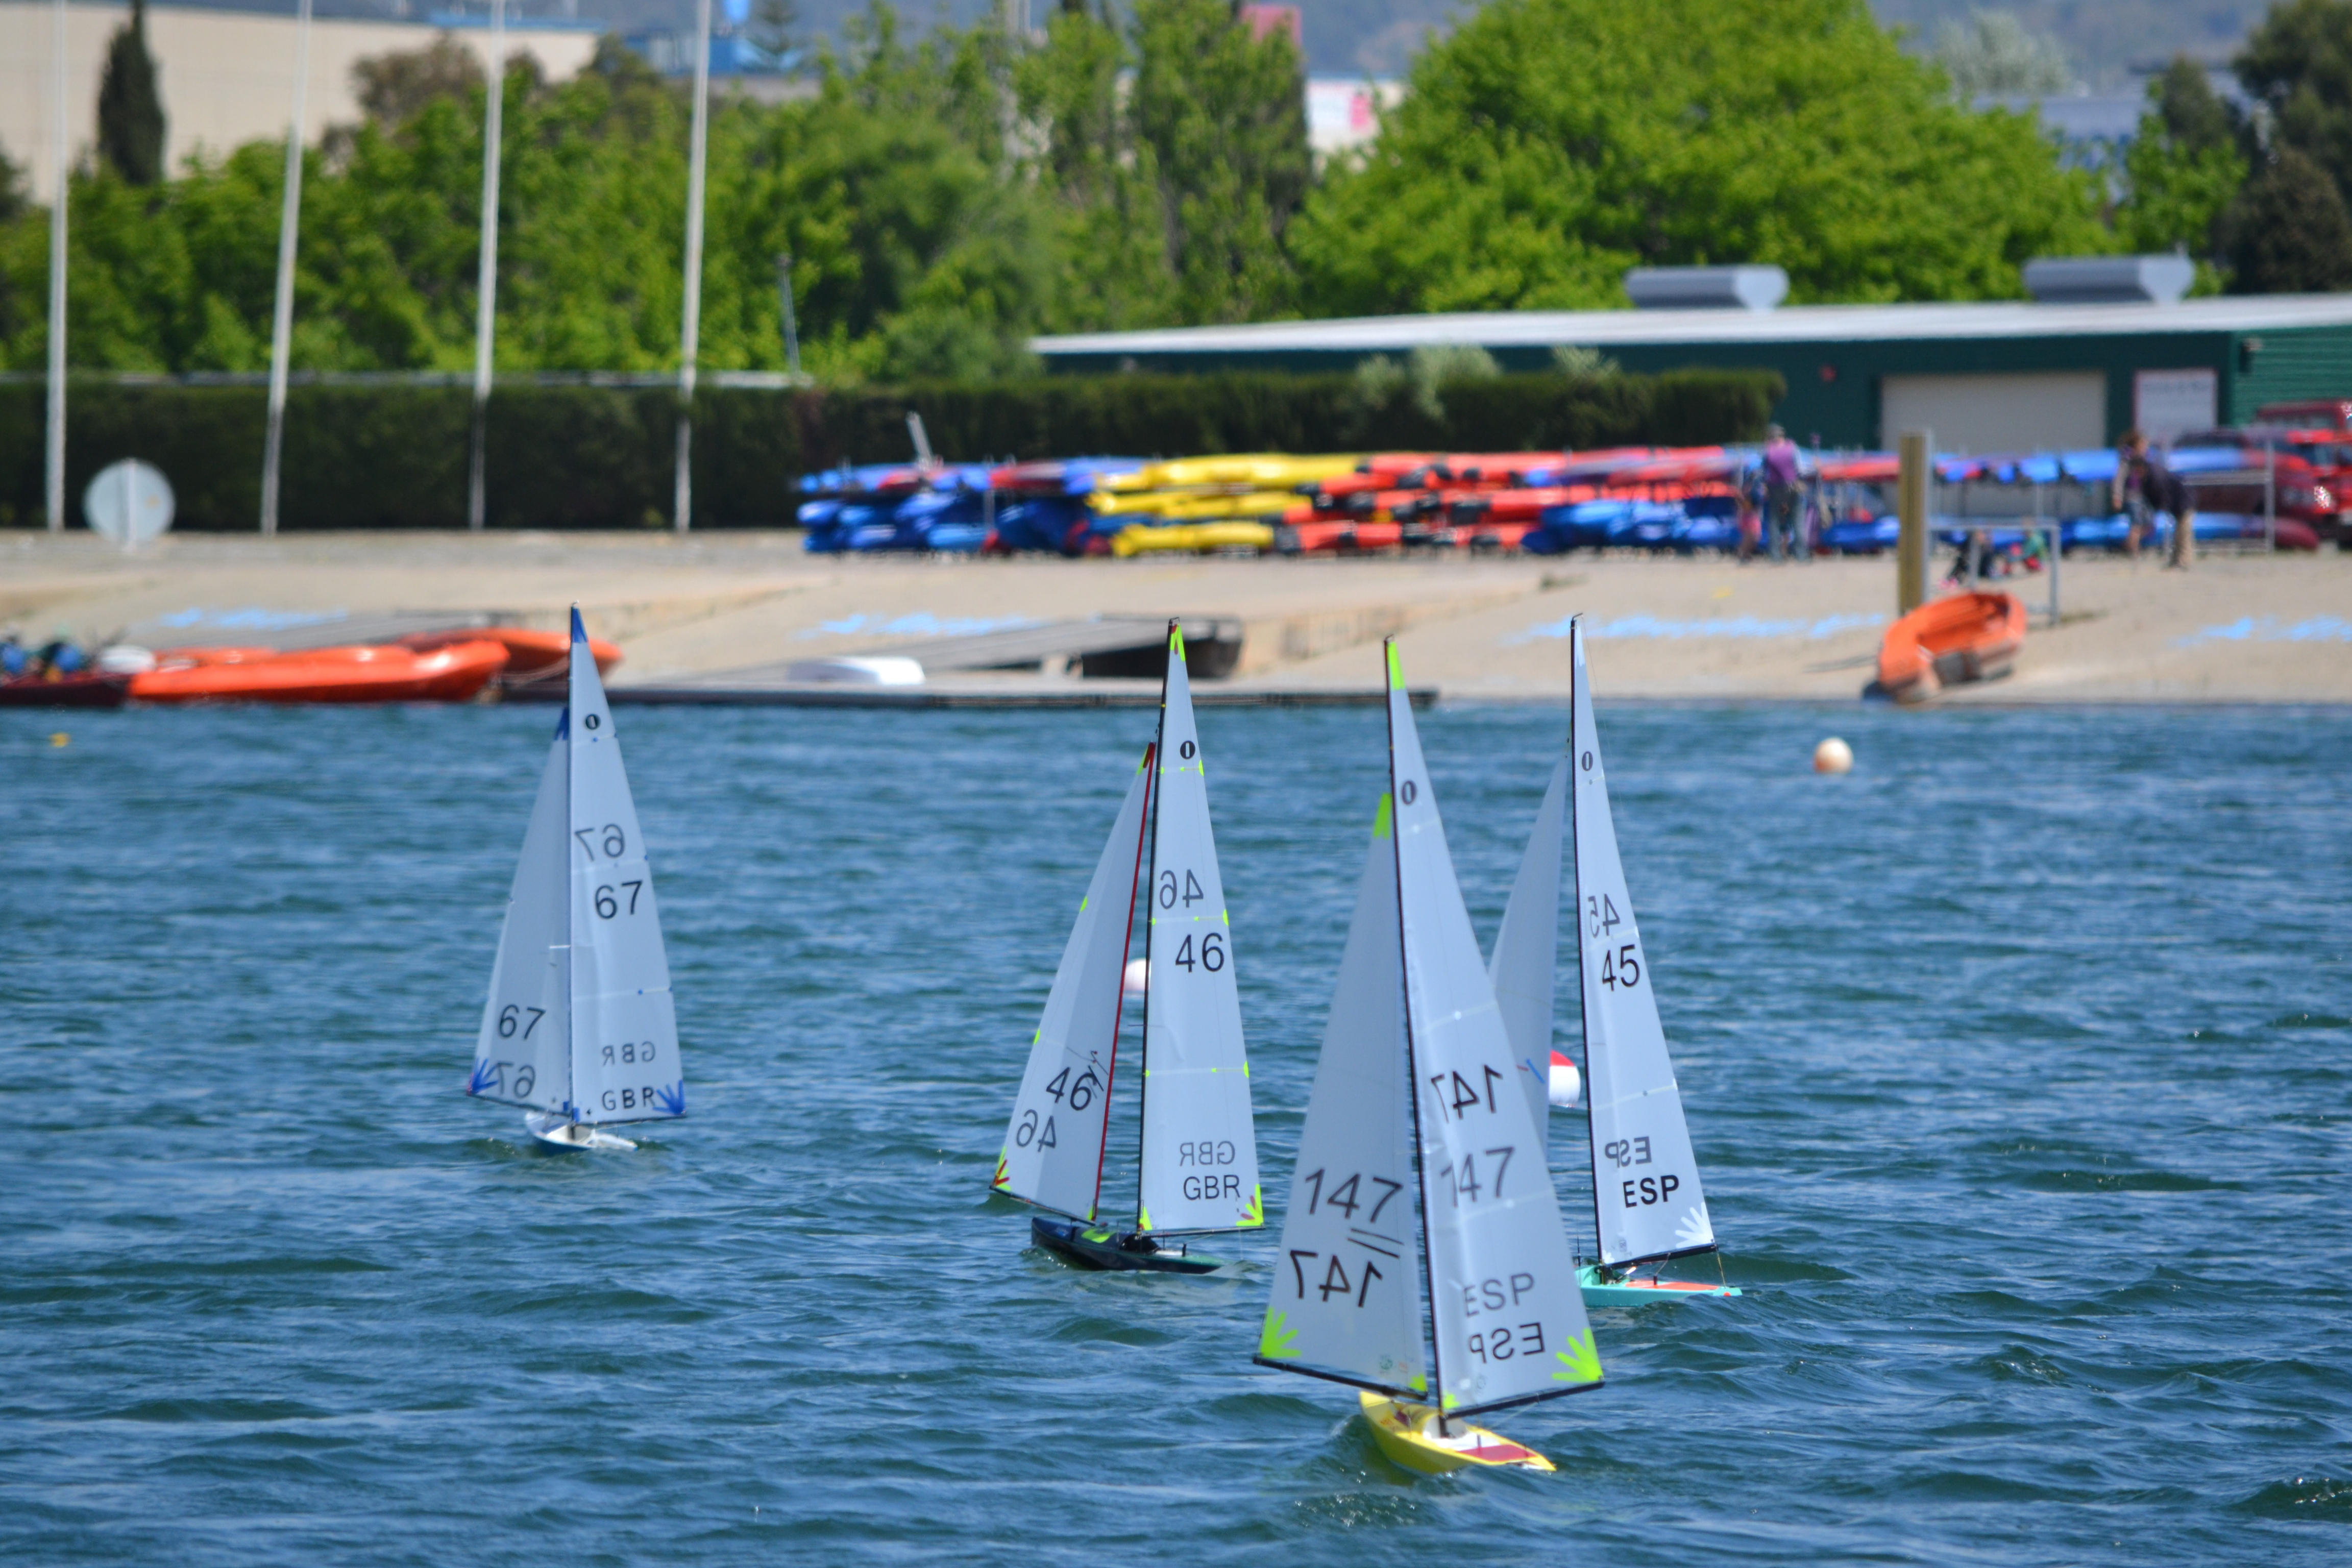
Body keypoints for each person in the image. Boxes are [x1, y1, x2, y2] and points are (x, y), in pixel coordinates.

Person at [1761, 425, 1802, 561]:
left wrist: (1765, 487)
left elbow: (1764, 472)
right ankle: (1801, 555)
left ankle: (1775, 555)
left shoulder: (1768, 451)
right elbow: (1800, 468)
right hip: (1792, 487)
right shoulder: (1792, 448)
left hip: (1775, 489)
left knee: (1775, 522)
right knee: (1797, 520)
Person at [2113, 429, 2153, 558]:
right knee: (2136, 524)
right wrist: (2117, 496)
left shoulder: (2144, 460)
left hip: (2143, 496)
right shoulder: (2127, 460)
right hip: (2132, 496)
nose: (2145, 448)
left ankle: (2127, 545)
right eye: (2143, 445)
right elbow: (2119, 479)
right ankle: (2134, 551)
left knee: (2148, 524)